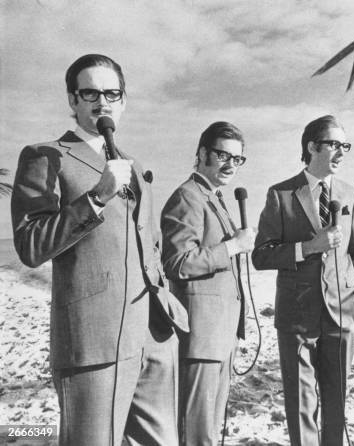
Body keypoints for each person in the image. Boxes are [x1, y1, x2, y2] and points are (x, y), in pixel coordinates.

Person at [11, 53, 188, 446]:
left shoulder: (133, 164)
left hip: (153, 332)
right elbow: (31, 245)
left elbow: (149, 243)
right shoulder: (45, 156)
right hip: (94, 339)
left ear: (123, 101)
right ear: (73, 101)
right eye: (90, 92)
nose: (102, 102)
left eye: (112, 93)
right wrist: (95, 198)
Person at [252, 115, 354, 445]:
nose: (341, 152)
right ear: (311, 147)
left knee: (337, 402)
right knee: (301, 403)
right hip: (297, 316)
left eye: (345, 145)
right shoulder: (281, 194)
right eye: (334, 144)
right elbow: (261, 255)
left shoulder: (350, 194)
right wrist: (308, 247)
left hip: (341, 316)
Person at [160, 121, 255, 446]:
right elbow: (176, 262)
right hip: (200, 337)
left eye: (237, 159)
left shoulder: (213, 198)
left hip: (220, 336)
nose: (230, 164)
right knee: (197, 433)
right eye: (222, 155)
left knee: (210, 433)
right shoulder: (188, 197)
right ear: (202, 153)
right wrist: (232, 247)